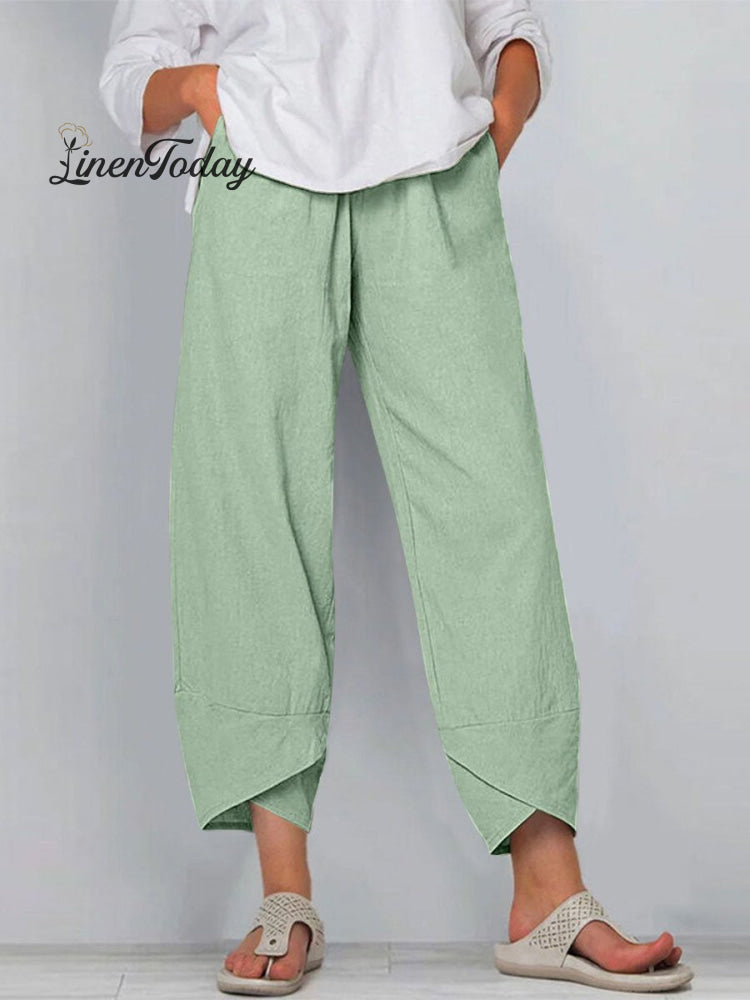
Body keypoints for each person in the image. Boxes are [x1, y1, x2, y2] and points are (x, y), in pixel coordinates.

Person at [99, 1, 693, 994]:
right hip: (264, 177)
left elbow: (510, 22)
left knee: (494, 510)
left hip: (436, 171)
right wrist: (206, 89)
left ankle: (547, 891)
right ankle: (284, 894)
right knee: (251, 513)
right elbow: (133, 73)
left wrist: (500, 119)